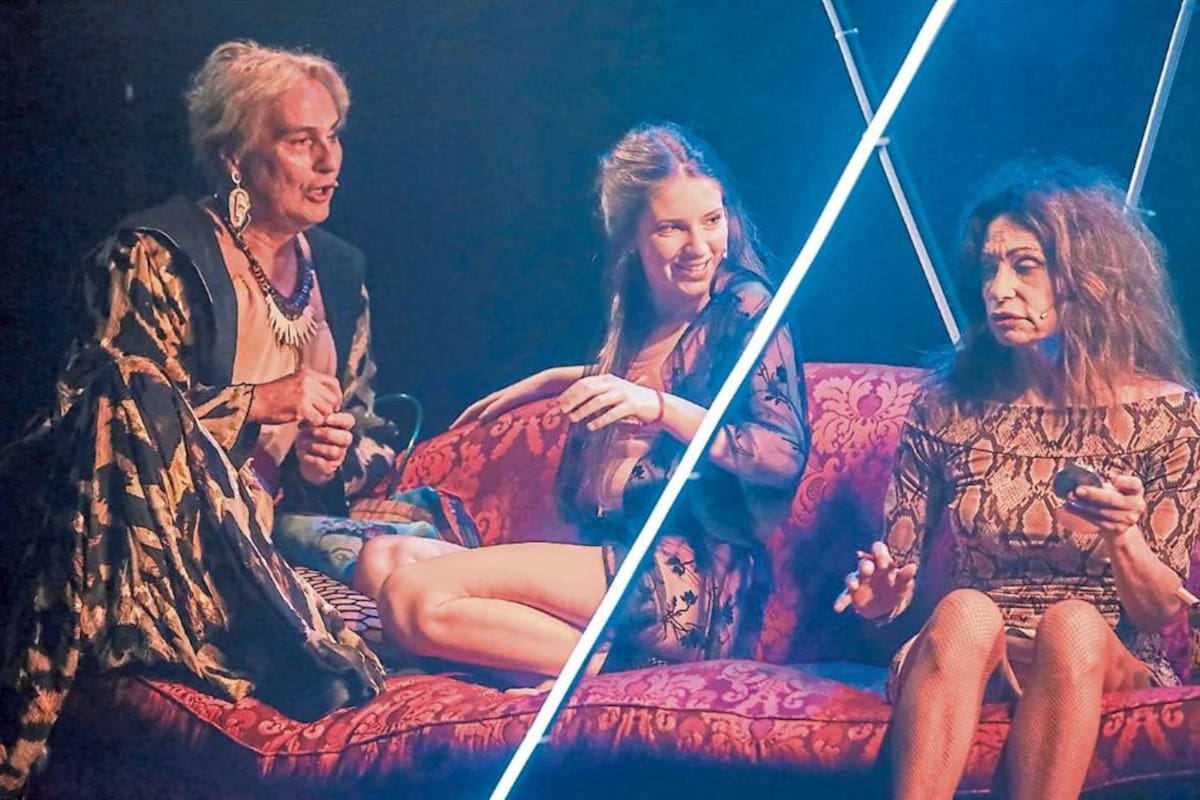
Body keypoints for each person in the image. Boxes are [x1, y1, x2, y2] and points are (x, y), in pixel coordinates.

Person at [0, 40, 394, 797]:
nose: (328, 161)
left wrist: (333, 454)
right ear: (234, 156)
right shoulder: (153, 256)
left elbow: (370, 429)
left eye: (334, 136)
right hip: (156, 542)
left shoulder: (340, 274)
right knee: (125, 388)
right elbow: (104, 416)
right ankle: (263, 639)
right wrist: (259, 403)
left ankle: (279, 634)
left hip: (271, 532)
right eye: (300, 140)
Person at [354, 122, 810, 683]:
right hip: (614, 563)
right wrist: (552, 379)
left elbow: (782, 453)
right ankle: (557, 658)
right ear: (632, 236)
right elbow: (653, 376)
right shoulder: (637, 319)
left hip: (689, 582)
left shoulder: (745, 305)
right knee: (383, 561)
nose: (699, 247)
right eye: (672, 228)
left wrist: (659, 408)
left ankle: (604, 667)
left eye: (712, 220)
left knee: (411, 597)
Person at [835, 161, 1200, 800]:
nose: (999, 289)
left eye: (1025, 266)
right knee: (966, 611)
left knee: (1073, 624)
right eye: (988, 269)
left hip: (1102, 653)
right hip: (970, 648)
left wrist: (1123, 537)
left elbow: (1159, 612)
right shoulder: (945, 407)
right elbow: (893, 598)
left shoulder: (1169, 415)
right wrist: (880, 600)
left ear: (1089, 277)